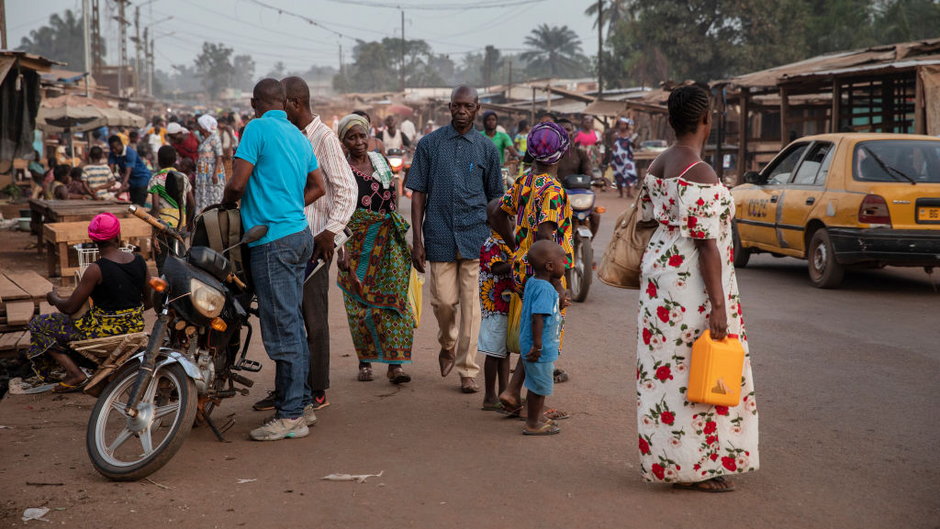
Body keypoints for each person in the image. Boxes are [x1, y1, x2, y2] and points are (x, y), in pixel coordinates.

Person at [636, 85, 758, 491]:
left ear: (672, 121)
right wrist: (719, 307)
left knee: (667, 375)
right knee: (703, 370)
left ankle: (674, 460)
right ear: (707, 120)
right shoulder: (699, 171)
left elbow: (649, 217)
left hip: (661, 283)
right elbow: (707, 245)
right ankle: (698, 467)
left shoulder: (659, 163)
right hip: (692, 288)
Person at [223, 78, 326, 442]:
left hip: (272, 241)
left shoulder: (256, 128)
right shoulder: (299, 136)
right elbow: (319, 186)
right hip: (299, 236)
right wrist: (291, 206)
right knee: (292, 322)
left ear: (254, 103)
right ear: (284, 102)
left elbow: (238, 183)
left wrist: (225, 204)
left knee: (282, 327)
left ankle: (291, 415)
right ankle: (299, 403)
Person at [251, 76, 356, 412]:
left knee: (311, 320)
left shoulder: (323, 138)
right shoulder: (291, 136)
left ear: (293, 103)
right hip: (290, 238)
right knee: (288, 321)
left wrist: (332, 232)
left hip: (314, 242)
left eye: (282, 103)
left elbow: (346, 190)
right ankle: (289, 390)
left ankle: (315, 389)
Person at [406, 85, 503, 393]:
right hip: (440, 234)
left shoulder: (488, 148)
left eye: (468, 106)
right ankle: (447, 342)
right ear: (449, 107)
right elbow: (418, 192)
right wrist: (418, 240)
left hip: (476, 235)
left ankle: (467, 369)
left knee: (473, 309)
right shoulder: (430, 145)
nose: (462, 111)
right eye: (457, 106)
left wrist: (498, 237)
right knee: (444, 302)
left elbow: (496, 197)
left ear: (477, 108)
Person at [491, 121, 574, 417]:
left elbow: (499, 213)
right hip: (545, 273)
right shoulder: (552, 190)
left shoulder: (525, 181)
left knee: (533, 330)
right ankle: (525, 400)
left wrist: (517, 249)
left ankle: (515, 392)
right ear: (562, 153)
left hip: (526, 270)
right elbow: (546, 237)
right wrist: (558, 284)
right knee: (544, 337)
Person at [27, 213, 150, 392]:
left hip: (99, 333)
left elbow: (70, 308)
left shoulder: (96, 269)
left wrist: (53, 297)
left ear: (93, 240)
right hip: (134, 328)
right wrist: (126, 314)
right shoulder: (140, 261)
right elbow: (148, 301)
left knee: (38, 324)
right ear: (118, 236)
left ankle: (74, 373)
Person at [334, 113, 414, 384]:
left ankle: (395, 364)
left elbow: (391, 198)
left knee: (394, 301)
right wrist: (340, 250)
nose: (358, 142)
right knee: (360, 305)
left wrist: (406, 239)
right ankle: (365, 360)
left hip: (388, 240)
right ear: (343, 141)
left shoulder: (380, 161)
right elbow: (337, 212)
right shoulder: (340, 169)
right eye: (351, 137)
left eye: (362, 136)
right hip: (356, 243)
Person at [518, 240, 566, 436]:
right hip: (540, 346)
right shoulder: (546, 289)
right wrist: (538, 344)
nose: (565, 264)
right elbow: (538, 316)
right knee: (540, 386)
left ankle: (537, 416)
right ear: (549, 266)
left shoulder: (533, 282)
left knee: (535, 383)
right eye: (562, 261)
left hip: (531, 342)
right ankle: (532, 423)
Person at [478, 199, 514, 411]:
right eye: (507, 218)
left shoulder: (507, 242)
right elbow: (497, 268)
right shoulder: (491, 244)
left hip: (505, 304)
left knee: (504, 351)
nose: (511, 221)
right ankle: (490, 395)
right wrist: (518, 263)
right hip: (495, 305)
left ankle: (505, 392)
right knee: (494, 352)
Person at [148, 146, 194, 272]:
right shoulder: (183, 177)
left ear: (159, 160)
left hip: (163, 226)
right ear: (175, 160)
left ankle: (164, 289)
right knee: (180, 261)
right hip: (180, 225)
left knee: (162, 260)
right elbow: (192, 204)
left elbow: (156, 208)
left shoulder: (155, 178)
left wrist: (153, 233)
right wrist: (187, 224)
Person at [556, 119, 600, 237]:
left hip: (576, 194)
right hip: (556, 195)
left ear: (572, 133)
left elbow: (588, 171)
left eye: (568, 129)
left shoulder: (580, 153)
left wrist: (598, 179)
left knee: (595, 216)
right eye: (561, 129)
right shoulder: (550, 154)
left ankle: (587, 244)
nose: (565, 132)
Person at [194, 114, 226, 214]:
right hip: (204, 174)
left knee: (213, 196)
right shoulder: (204, 139)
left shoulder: (214, 138)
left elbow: (219, 156)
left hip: (211, 173)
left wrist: (215, 173)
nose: (198, 128)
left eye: (199, 126)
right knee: (203, 195)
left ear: (204, 127)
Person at [108, 135, 151, 206]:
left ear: (120, 144)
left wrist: (121, 189)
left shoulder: (130, 153)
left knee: (138, 205)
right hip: (131, 181)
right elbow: (110, 170)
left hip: (142, 179)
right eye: (111, 148)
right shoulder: (112, 153)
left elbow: (128, 172)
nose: (113, 150)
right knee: (133, 203)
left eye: (115, 148)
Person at [605, 117, 639, 198]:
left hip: (628, 158)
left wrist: (633, 141)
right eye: (621, 124)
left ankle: (629, 192)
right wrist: (611, 159)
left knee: (630, 174)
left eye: (624, 124)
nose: (622, 126)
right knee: (618, 176)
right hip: (617, 160)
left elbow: (634, 146)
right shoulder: (615, 135)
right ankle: (621, 193)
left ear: (627, 125)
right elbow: (613, 147)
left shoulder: (630, 134)